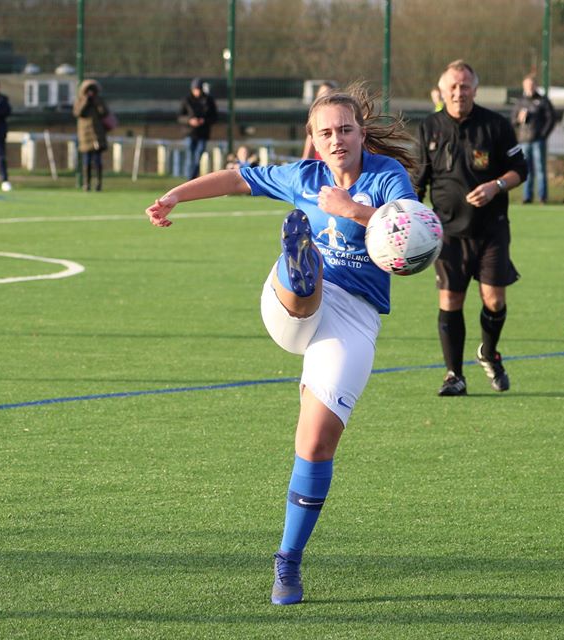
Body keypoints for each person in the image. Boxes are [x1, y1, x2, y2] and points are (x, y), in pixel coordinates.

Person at [145, 83, 419, 605]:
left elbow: (417, 236)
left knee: (315, 443)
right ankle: (300, 263)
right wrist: (177, 195)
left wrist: (351, 211)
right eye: (325, 133)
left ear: (361, 132)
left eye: (344, 129)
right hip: (293, 304)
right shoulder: (304, 176)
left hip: (354, 318)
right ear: (312, 141)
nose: (336, 140)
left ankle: (288, 563)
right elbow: (237, 177)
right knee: (305, 269)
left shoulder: (388, 178)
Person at [413, 59, 527, 396]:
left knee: (493, 300)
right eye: (453, 87)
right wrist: (408, 216)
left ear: (475, 89)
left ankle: (489, 353)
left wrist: (496, 186)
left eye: (465, 86)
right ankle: (454, 375)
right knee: (450, 299)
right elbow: (418, 180)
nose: (459, 92)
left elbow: (520, 168)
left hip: (492, 229)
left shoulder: (496, 125)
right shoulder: (429, 127)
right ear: (442, 90)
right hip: (446, 232)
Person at [510, 73, 555, 204]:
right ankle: (527, 197)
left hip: (538, 140)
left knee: (540, 169)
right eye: (527, 85)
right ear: (524, 86)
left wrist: (543, 134)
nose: (530, 87)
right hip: (524, 141)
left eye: (532, 85)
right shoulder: (520, 102)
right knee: (526, 169)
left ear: (536, 86)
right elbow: (513, 121)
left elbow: (550, 119)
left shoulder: (543, 101)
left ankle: (542, 197)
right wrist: (518, 119)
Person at [73, 79, 111, 192]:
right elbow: (78, 113)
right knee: (87, 161)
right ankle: (86, 184)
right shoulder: (80, 100)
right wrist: (86, 101)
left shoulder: (98, 100)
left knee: (98, 161)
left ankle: (99, 184)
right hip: (85, 136)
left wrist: (96, 102)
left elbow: (104, 112)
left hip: (98, 135)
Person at [179, 77, 218, 180]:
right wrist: (190, 120)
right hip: (190, 132)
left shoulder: (209, 100)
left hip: (203, 133)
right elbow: (180, 117)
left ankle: (193, 178)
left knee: (198, 157)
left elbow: (214, 117)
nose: (197, 92)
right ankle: (188, 179)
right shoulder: (186, 100)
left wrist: (204, 121)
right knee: (189, 156)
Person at [301, 81, 336, 159]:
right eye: (321, 95)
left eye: (327, 95)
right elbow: (306, 156)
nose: (324, 98)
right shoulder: (315, 121)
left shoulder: (342, 119)